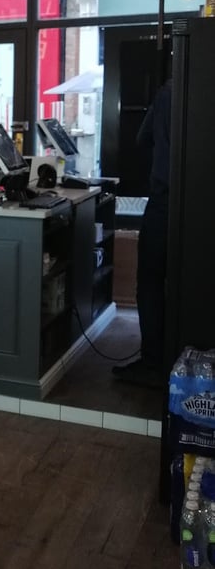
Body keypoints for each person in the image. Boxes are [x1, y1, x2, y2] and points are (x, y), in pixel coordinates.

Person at [113, 76, 171, 387]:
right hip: (195, 206)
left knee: (149, 281)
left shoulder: (166, 94)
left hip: (163, 199)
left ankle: (152, 363)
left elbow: (141, 138)